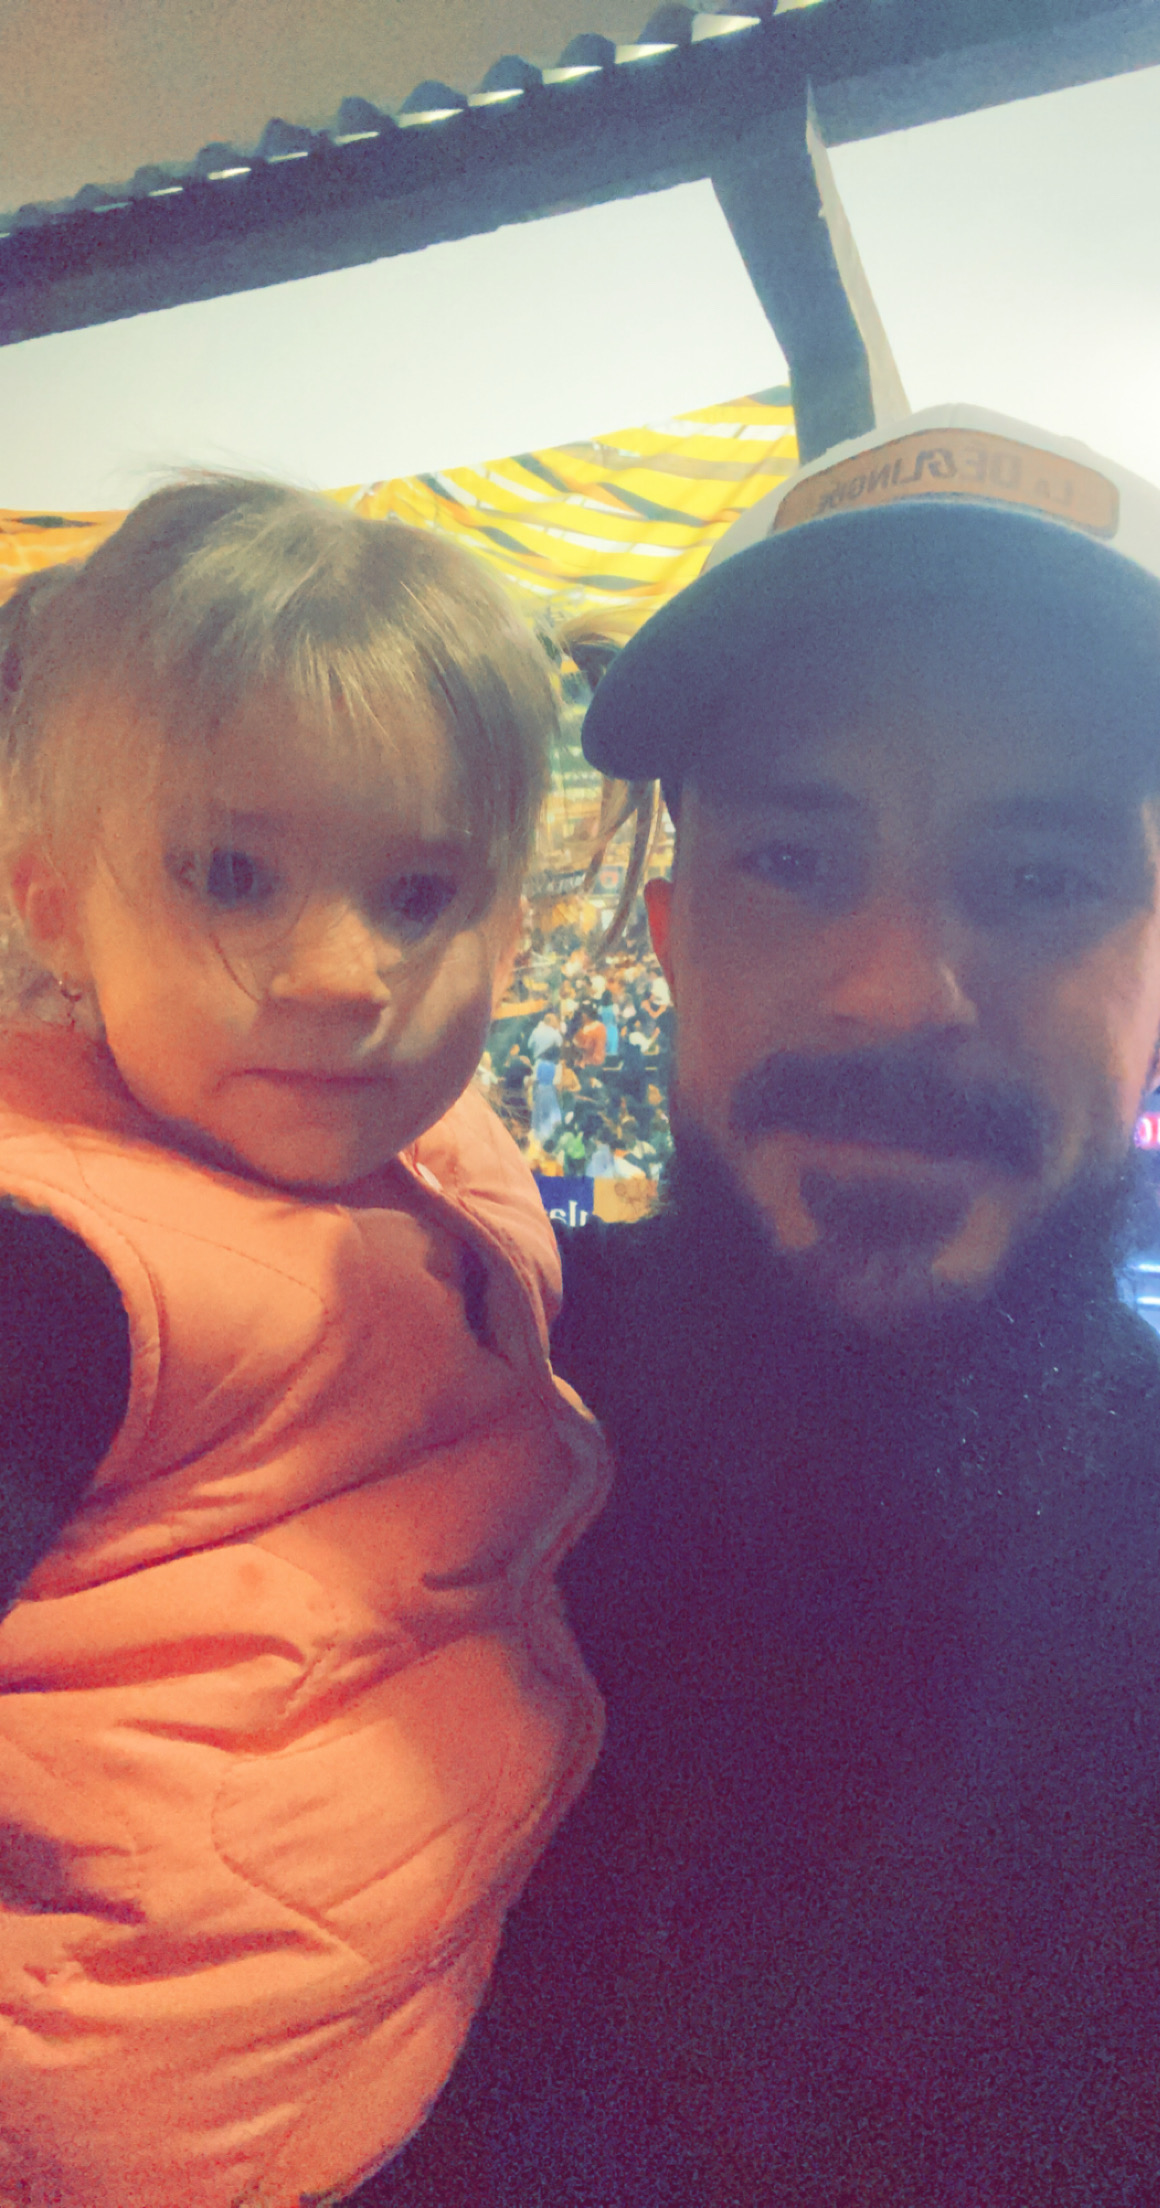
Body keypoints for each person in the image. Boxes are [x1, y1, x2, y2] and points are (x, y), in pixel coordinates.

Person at [370, 407, 1160, 2206]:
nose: (892, 990)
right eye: (790, 858)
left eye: (1041, 880)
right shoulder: (375, 1421)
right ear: (673, 936)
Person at [0, 480, 610, 2208]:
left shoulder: (436, 1160)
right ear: (58, 908)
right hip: (140, 2128)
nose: (342, 974)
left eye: (417, 894)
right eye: (233, 877)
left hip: (388, 2027)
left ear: (505, 930)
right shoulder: (57, 1267)